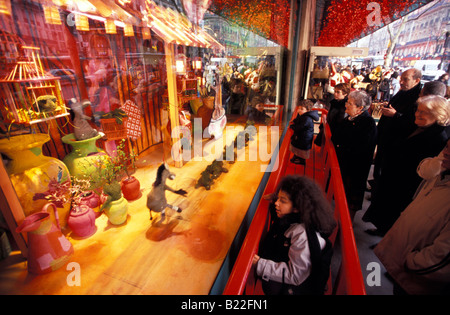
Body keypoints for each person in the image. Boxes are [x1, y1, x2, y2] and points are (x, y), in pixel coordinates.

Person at [363, 95, 449, 235]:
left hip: (407, 184)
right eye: (418, 110)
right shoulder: (418, 126)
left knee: (396, 213)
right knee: (387, 209)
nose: (417, 114)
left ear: (437, 114)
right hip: (396, 177)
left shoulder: (438, 137)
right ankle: (382, 230)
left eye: (423, 112)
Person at [374, 139, 450, 295]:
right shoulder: (441, 177)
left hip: (419, 281)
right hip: (405, 273)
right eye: (447, 147)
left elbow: (441, 259)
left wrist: (410, 263)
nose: (446, 153)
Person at [253, 175, 336, 295]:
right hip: (298, 270)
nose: (276, 203)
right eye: (278, 198)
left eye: (282, 201)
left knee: (270, 285)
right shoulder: (301, 217)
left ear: (297, 207)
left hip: (299, 286)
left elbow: (295, 275)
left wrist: (260, 264)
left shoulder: (304, 236)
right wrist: (278, 200)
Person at [331, 90, 377, 218]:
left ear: (360, 108)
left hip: (355, 170)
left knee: (351, 199)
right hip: (344, 166)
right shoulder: (349, 119)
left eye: (350, 103)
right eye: (347, 102)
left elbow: (360, 148)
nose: (346, 105)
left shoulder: (368, 124)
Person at [372, 68, 422, 182]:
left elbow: (413, 122)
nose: (402, 82)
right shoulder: (403, 92)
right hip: (386, 139)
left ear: (416, 80)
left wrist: (396, 115)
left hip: (396, 143)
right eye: (401, 79)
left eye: (406, 79)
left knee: (387, 173)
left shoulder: (417, 98)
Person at [289, 99, 319, 165]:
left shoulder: (307, 119)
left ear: (307, 110)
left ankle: (302, 161)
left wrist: (292, 127)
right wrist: (294, 121)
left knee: (301, 150)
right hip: (301, 137)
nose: (299, 110)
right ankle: (296, 156)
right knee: (297, 148)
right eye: (299, 108)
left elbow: (300, 127)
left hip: (304, 138)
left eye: (301, 109)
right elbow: (297, 120)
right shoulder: (303, 115)